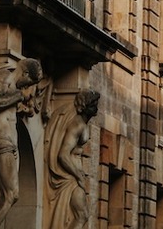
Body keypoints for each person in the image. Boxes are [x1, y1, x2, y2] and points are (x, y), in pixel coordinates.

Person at [0, 58, 44, 228]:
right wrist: (18, 96)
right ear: (24, 73)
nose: (28, 87)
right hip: (1, 141)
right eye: (30, 81)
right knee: (10, 195)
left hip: (10, 144)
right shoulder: (4, 77)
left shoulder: (14, 87)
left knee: (8, 195)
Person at [48, 89, 100, 229]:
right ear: (84, 106)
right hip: (70, 177)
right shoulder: (77, 125)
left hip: (73, 175)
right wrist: (78, 176)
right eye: (93, 103)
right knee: (82, 215)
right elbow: (63, 155)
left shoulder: (82, 123)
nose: (96, 107)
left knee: (81, 215)